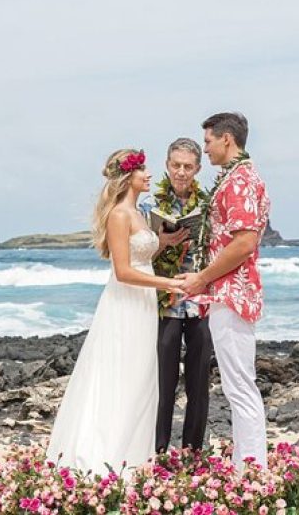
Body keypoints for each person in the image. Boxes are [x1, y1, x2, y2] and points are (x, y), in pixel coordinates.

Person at [46, 148, 184, 475]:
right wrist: (169, 284)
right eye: (143, 171)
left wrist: (166, 242)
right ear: (128, 177)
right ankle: (108, 457)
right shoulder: (119, 216)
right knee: (122, 376)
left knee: (140, 378)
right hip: (125, 304)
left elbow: (141, 254)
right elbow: (123, 270)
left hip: (143, 304)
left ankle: (134, 456)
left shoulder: (137, 213)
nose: (149, 176)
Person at [178, 113, 271, 470]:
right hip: (228, 291)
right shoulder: (237, 177)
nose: (206, 149)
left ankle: (251, 472)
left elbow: (244, 243)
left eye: (208, 142)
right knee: (238, 386)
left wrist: (201, 278)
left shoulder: (239, 181)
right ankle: (245, 467)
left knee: (239, 387)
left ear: (227, 139)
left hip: (232, 292)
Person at [140, 138, 212, 454]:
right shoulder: (148, 207)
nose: (181, 172)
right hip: (164, 303)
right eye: (175, 165)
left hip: (200, 303)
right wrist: (162, 242)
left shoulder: (209, 205)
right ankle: (159, 449)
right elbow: (137, 255)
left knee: (199, 384)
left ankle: (192, 451)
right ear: (167, 166)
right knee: (162, 384)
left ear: (198, 168)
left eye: (187, 166)